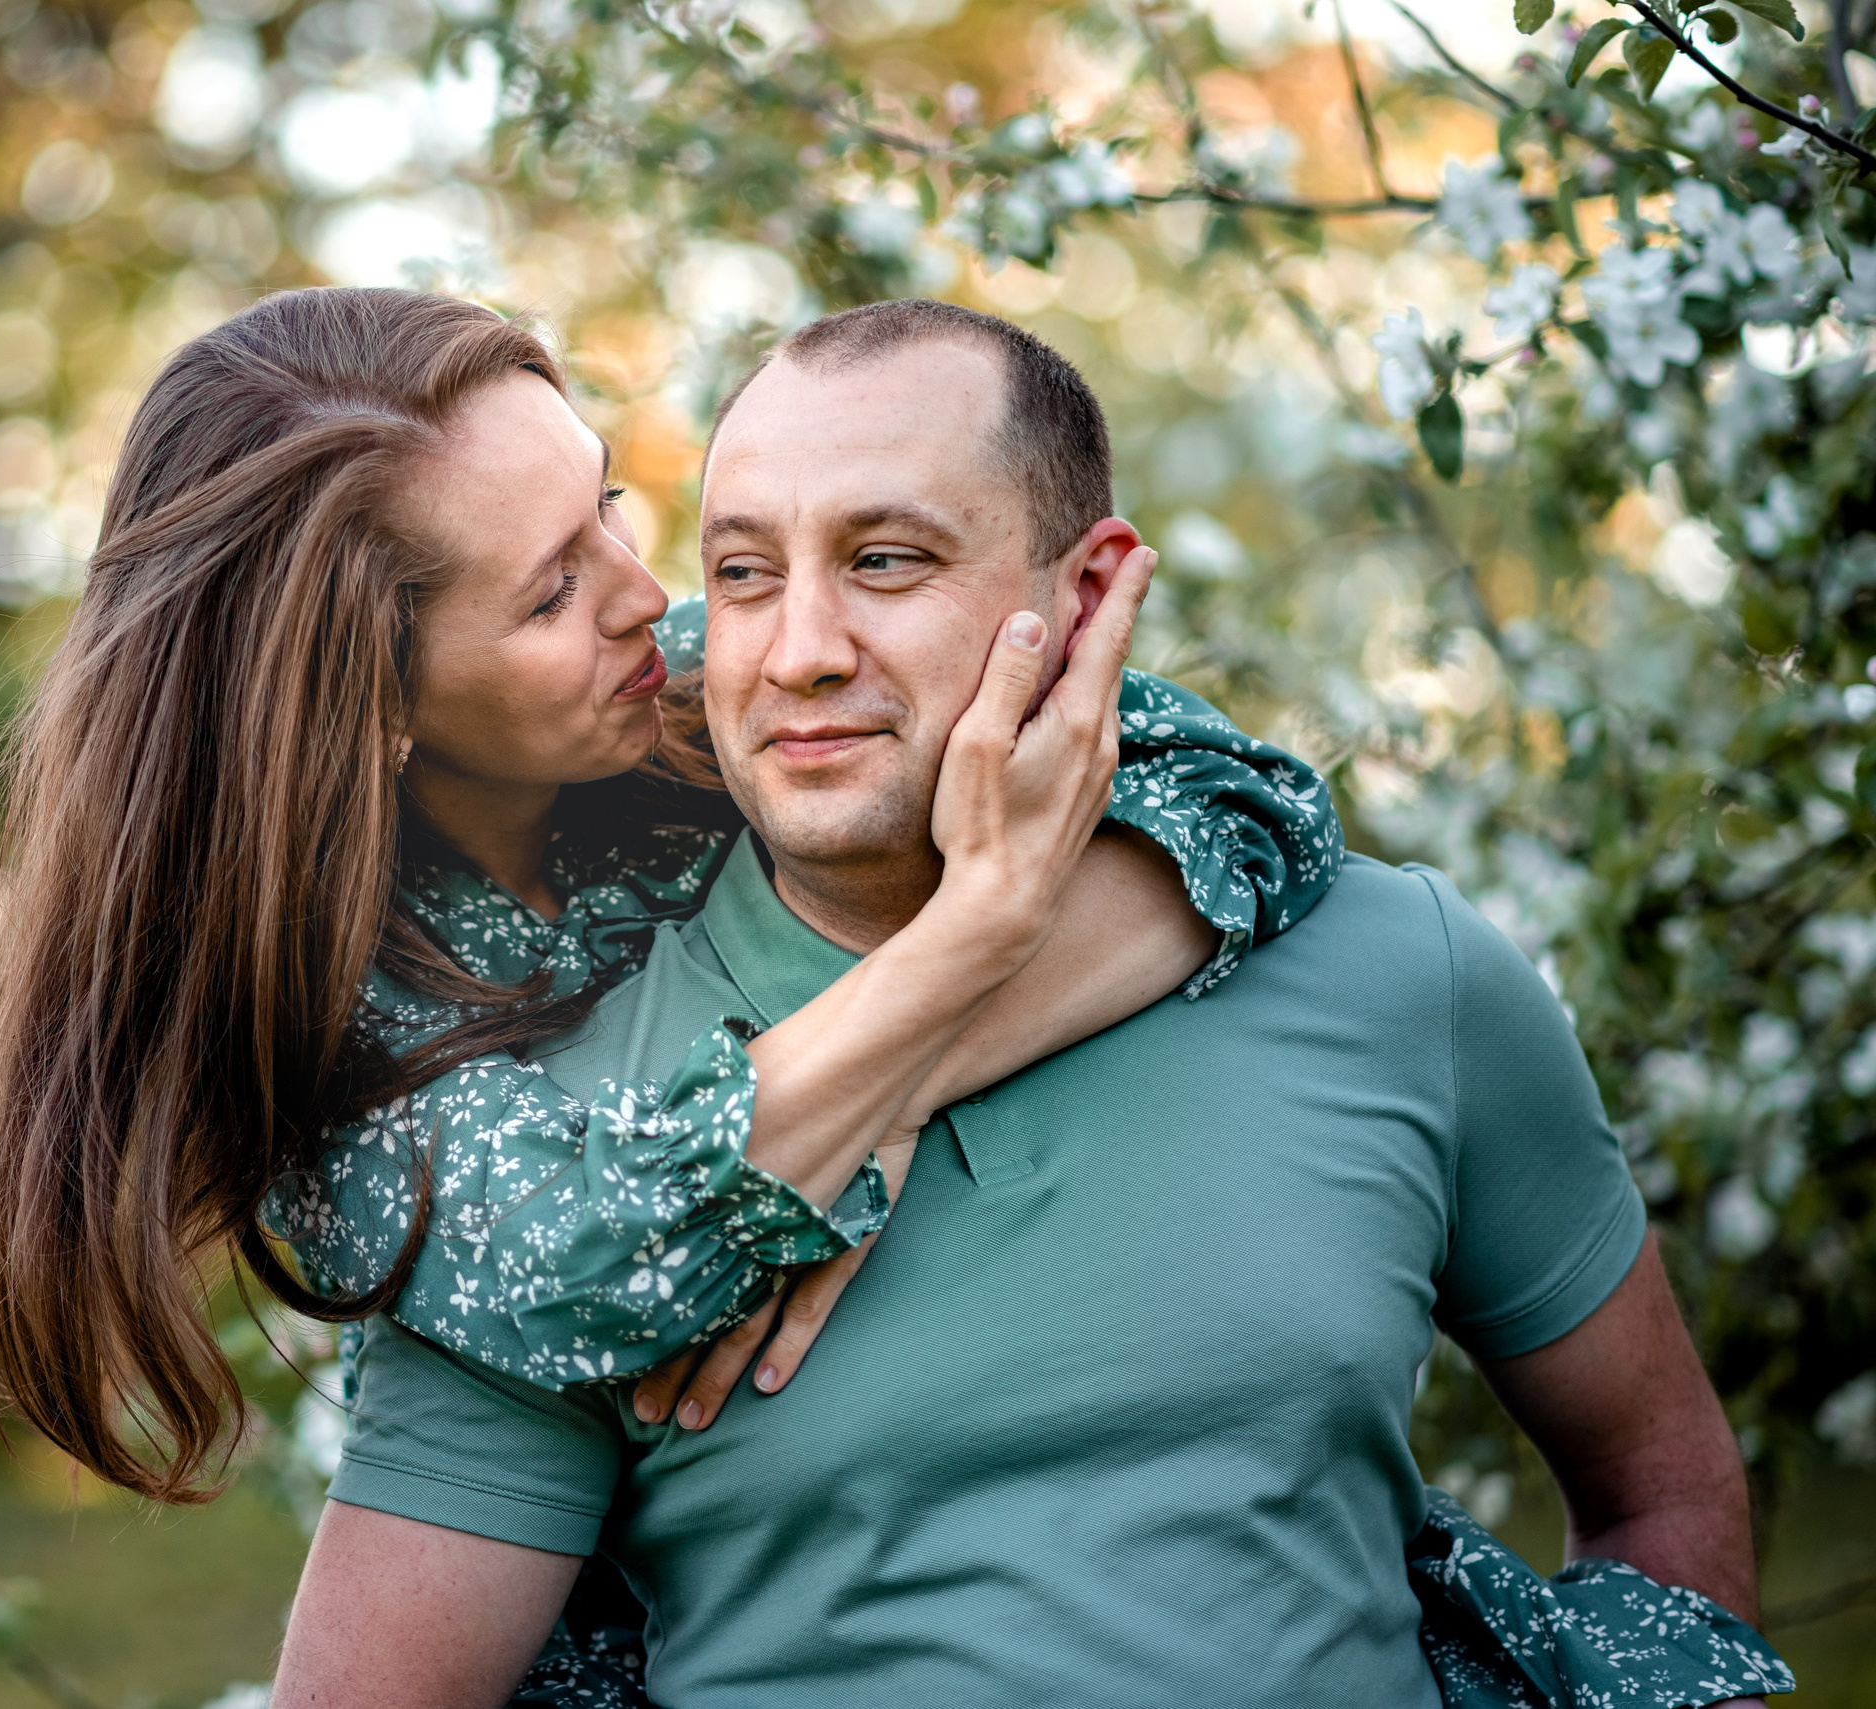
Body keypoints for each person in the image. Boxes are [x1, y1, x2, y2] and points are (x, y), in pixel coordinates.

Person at [271, 301, 1792, 1708]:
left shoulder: (1398, 969)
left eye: (886, 560)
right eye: (742, 571)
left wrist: (914, 1050)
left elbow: (1665, 1494)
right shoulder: (517, 1155)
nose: (782, 644)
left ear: (1088, 592)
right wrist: (948, 961)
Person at [0, 286, 1331, 1515]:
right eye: (547, 596)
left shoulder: (716, 690)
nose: (652, 593)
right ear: (368, 702)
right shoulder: (333, 1035)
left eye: (603, 500)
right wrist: (977, 929)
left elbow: (1241, 800)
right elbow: (600, 1269)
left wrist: (910, 1071)